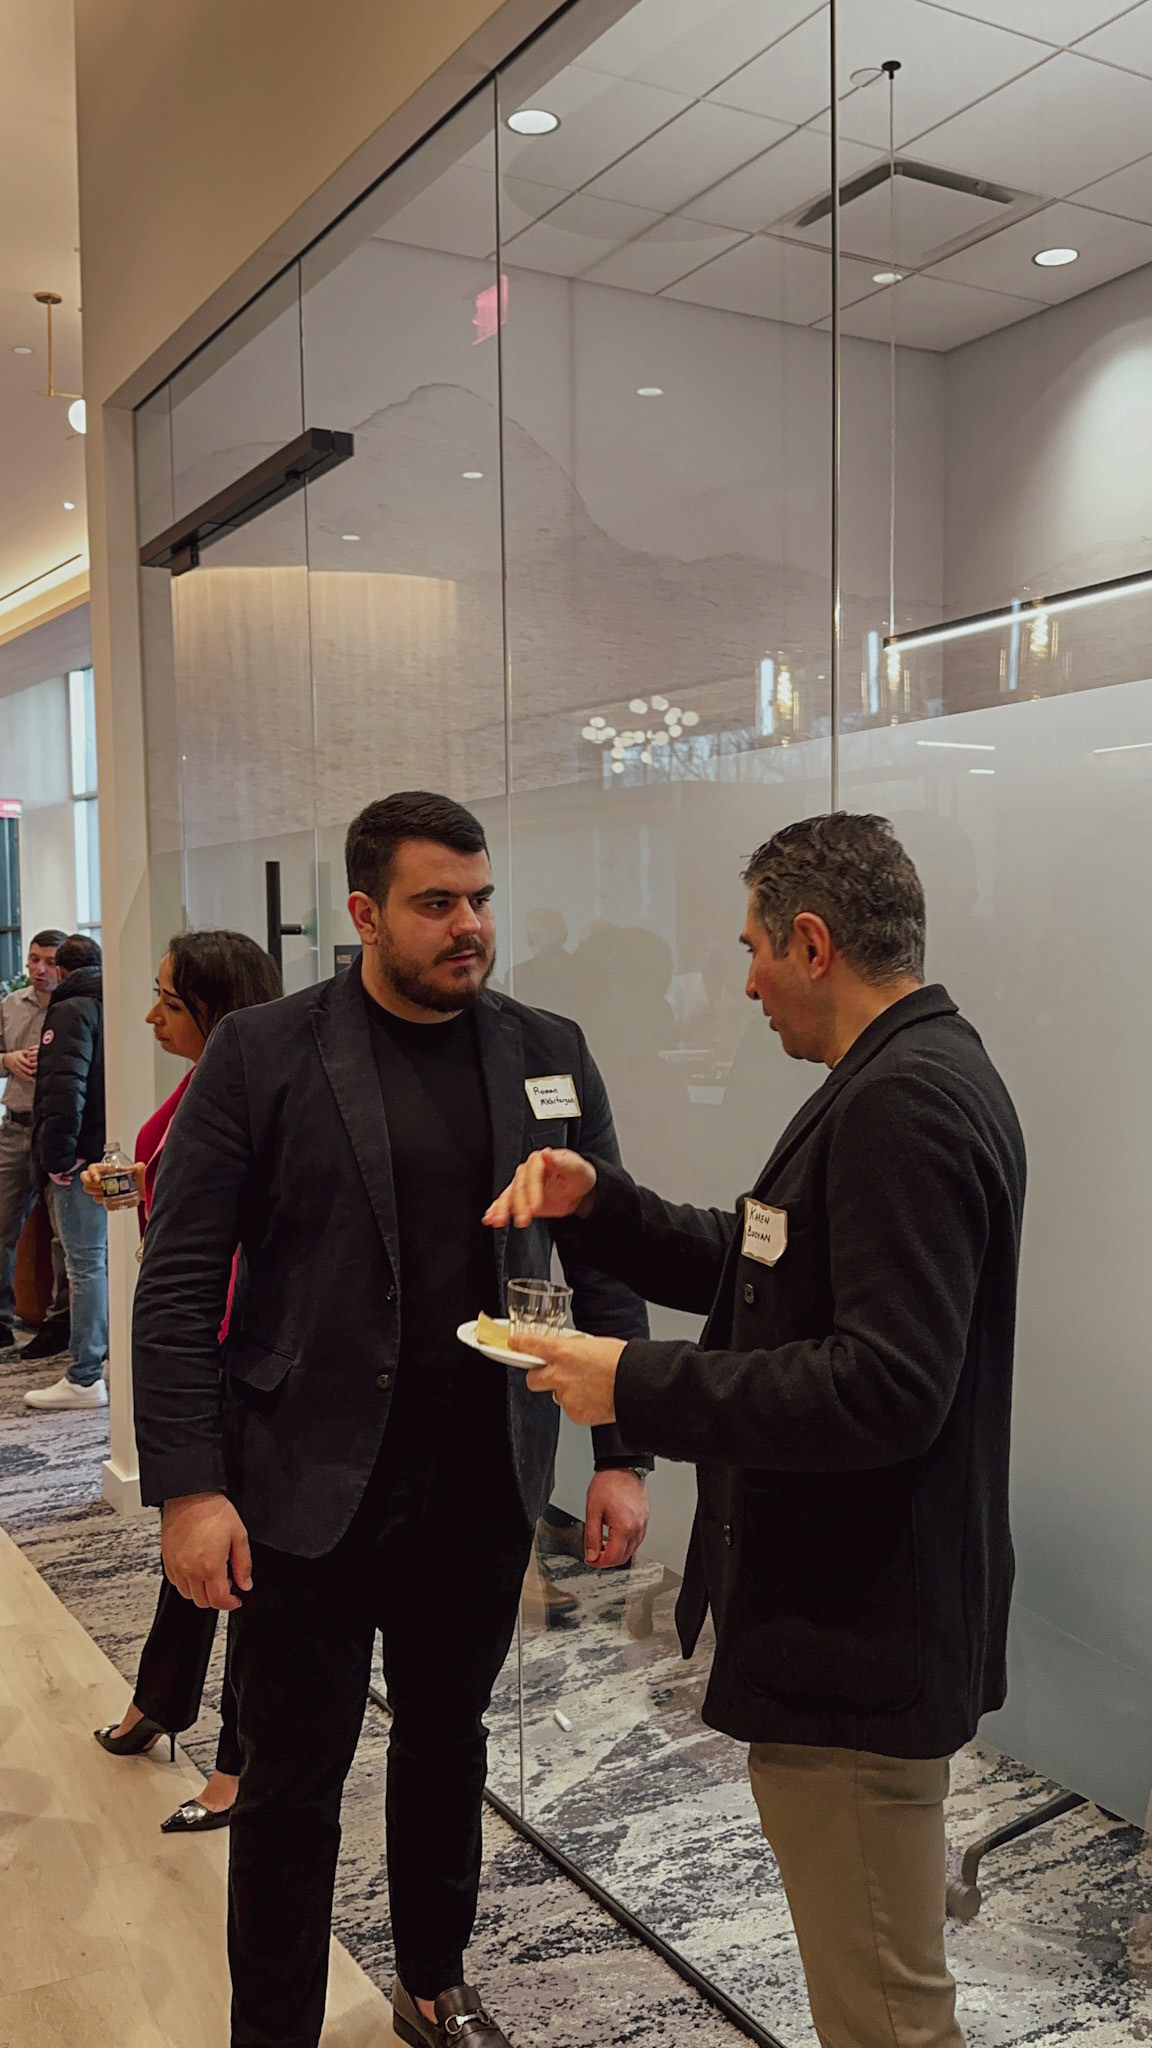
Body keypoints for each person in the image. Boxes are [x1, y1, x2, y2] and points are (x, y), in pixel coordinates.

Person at [486, 812, 1027, 2048]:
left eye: (753, 949)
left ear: (814, 942)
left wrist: (632, 1380)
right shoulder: (903, 1070)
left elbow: (883, 1387)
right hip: (860, 1627)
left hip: (860, 1638)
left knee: (885, 2013)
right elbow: (769, 1257)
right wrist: (607, 1207)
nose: (744, 982)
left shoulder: (903, 1101)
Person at [132, 790, 652, 2048]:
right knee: (292, 1777)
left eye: (480, 898)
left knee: (446, 1742)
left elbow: (606, 1255)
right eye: (436, 903)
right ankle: (274, 2029)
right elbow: (183, 1279)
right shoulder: (263, 1050)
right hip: (301, 1485)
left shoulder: (547, 1048)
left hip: (480, 1479)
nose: (469, 924)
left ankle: (433, 1976)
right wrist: (190, 1487)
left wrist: (621, 1452)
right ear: (365, 913)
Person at [85, 930, 283, 1833]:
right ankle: (161, 1702)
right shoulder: (203, 1081)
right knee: (197, 1540)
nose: (151, 1016)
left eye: (169, 1001)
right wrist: (135, 1187)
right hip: (203, 1344)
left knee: (244, 1566)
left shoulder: (258, 1087)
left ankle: (238, 1764)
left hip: (243, 1350)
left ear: (216, 1006)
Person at [25, 933, 109, 1411]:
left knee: (85, 1266)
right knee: (102, 1262)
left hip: (78, 1164)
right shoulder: (113, 1004)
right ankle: (103, 1363)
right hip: (108, 1153)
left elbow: (63, 1091)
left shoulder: (70, 1010)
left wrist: (58, 1159)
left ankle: (84, 1376)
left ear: (61, 971)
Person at [0, 928, 70, 1356]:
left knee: (67, 1238)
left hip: (58, 1132)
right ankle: (1, 1322)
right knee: (1, 1227)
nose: (39, 970)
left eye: (49, 962)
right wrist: (6, 1060)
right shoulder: (10, 1005)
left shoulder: (75, 1008)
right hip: (14, 1129)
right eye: (33, 960)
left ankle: (61, 1326)